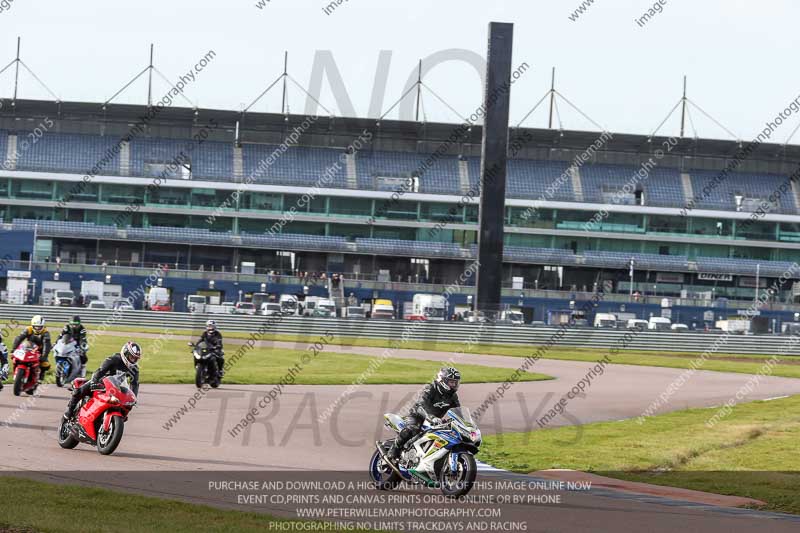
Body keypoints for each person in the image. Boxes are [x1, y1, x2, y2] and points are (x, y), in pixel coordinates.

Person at [387, 367, 461, 462]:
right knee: (413, 428)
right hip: (417, 416)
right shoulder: (430, 388)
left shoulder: (452, 396)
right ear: (443, 380)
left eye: (455, 382)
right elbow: (422, 404)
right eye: (451, 382)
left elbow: (458, 411)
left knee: (447, 435)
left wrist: (463, 423)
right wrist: (431, 417)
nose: (454, 385)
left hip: (435, 421)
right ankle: (394, 449)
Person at [64, 341, 141, 420]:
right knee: (79, 391)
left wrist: (133, 397)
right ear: (125, 353)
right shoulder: (113, 359)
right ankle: (69, 411)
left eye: (135, 359)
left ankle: (119, 417)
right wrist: (94, 382)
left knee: (125, 405)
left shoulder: (134, 369)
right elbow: (100, 371)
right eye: (132, 357)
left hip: (116, 388)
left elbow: (134, 384)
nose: (133, 360)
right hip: (101, 383)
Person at [12, 316, 52, 381]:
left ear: (43, 326)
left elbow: (47, 345)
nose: (37, 328)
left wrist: (44, 356)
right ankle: (16, 372)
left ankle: (40, 376)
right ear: (32, 325)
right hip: (27, 347)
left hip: (40, 350)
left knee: (45, 365)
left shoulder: (45, 332)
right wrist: (14, 349)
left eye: (39, 327)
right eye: (36, 326)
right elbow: (19, 338)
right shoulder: (28, 329)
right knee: (15, 358)